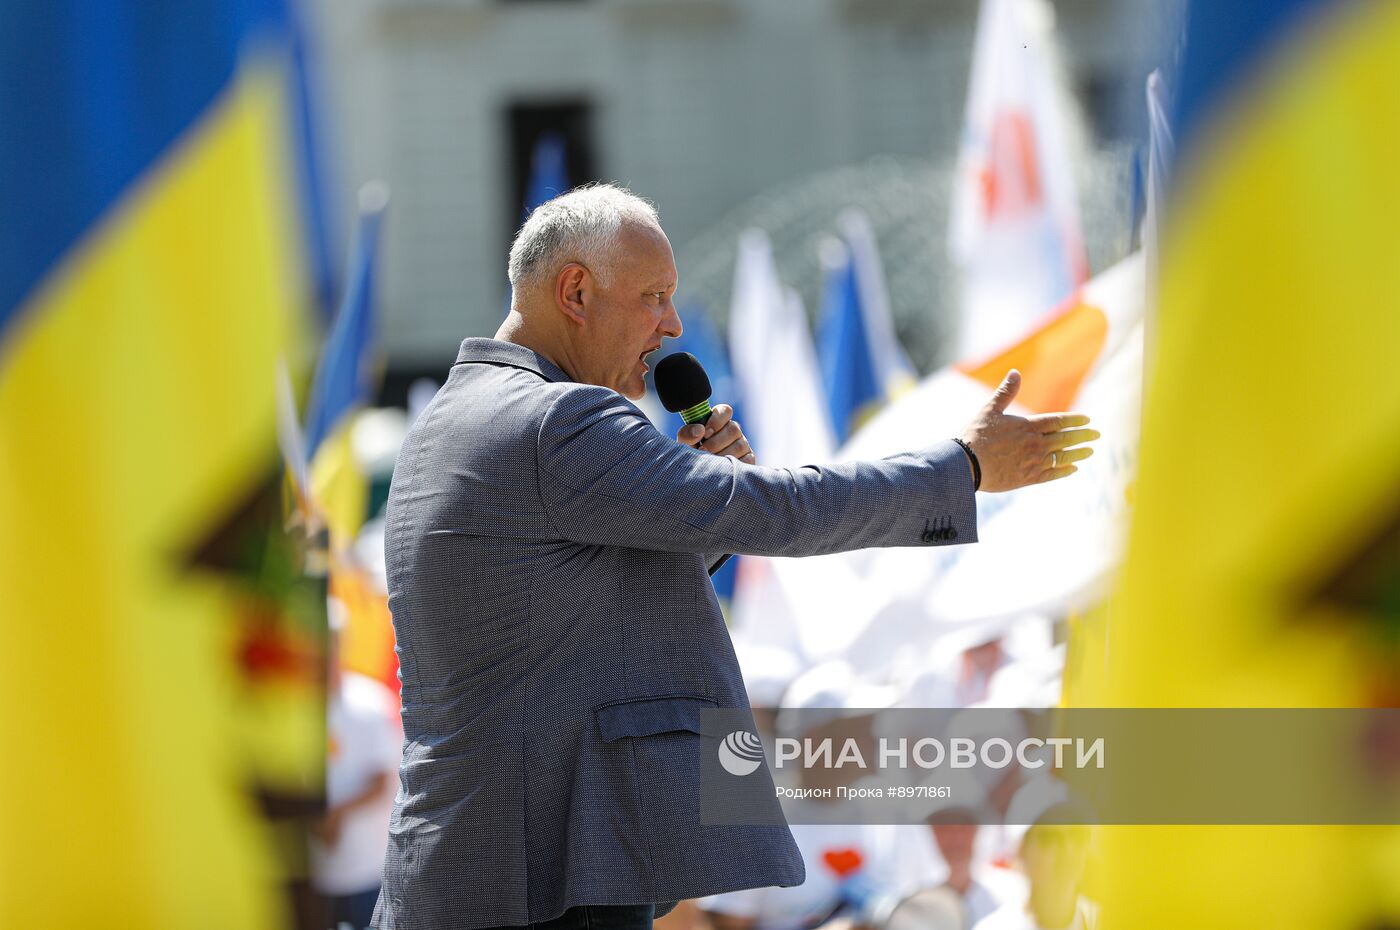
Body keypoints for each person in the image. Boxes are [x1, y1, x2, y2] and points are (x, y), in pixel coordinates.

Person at [370, 184, 1099, 930]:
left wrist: (699, 512)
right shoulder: (558, 420)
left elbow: (568, 604)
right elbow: (778, 511)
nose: (672, 324)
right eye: (653, 297)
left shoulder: (448, 422)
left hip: (475, 865)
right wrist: (962, 468)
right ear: (576, 292)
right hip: (542, 877)